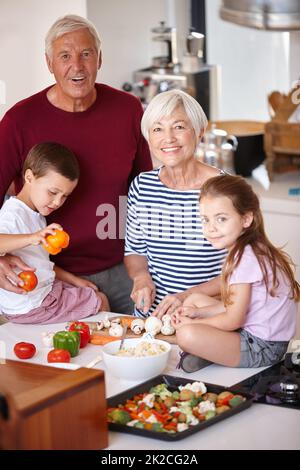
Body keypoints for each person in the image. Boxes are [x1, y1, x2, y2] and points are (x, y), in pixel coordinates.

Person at [0, 14, 152, 314]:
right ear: (49, 63)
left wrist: (147, 268)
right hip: (49, 281)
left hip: (126, 271)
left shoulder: (128, 109)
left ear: (99, 59)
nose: (77, 66)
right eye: (65, 56)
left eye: (86, 54)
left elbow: (144, 191)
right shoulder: (19, 120)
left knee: (146, 353)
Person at [172, 174, 300, 370]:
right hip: (253, 331)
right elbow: (232, 307)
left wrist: (193, 325)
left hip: (263, 347)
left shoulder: (245, 259)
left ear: (246, 218)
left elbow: (233, 319)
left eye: (221, 219)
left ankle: (211, 351)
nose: (210, 229)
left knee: (186, 335)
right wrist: (198, 312)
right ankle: (213, 351)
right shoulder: (249, 247)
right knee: (193, 301)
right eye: (205, 220)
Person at [124, 89, 227, 319]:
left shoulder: (225, 189)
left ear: (199, 131)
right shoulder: (142, 186)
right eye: (157, 129)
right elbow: (135, 251)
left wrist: (185, 296)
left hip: (205, 320)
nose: (168, 138)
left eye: (179, 127)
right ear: (149, 138)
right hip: (153, 321)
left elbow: (242, 273)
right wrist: (141, 278)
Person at [0, 142, 109, 324]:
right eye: (53, 192)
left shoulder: (36, 212)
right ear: (29, 177)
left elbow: (40, 262)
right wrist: (33, 237)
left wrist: (74, 280)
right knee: (101, 301)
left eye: (64, 196)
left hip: (42, 294)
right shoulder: (12, 215)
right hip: (34, 305)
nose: (57, 202)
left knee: (89, 293)